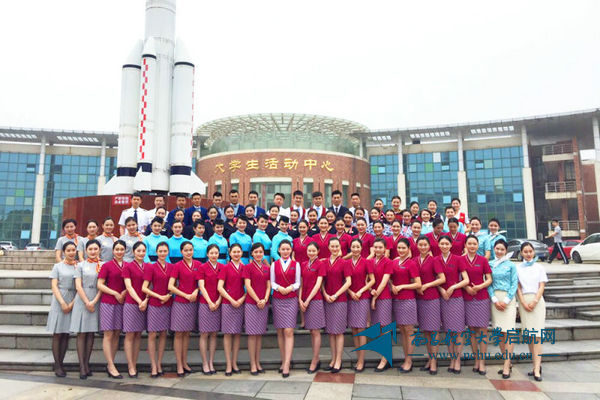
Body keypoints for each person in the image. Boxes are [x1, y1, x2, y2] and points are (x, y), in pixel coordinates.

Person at [436, 235, 469, 374]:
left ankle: (458, 360)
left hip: (456, 298)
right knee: (448, 331)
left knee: (458, 330)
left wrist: (453, 287)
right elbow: (435, 279)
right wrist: (441, 289)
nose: (444, 246)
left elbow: (466, 280)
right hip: (443, 298)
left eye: (446, 244)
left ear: (451, 245)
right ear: (438, 245)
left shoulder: (458, 259)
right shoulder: (435, 260)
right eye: (442, 244)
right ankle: (452, 359)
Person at [70, 239, 102, 379]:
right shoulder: (80, 265)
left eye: (95, 249)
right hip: (82, 300)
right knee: (82, 333)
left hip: (96, 299)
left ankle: (87, 363)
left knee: (91, 333)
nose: (93, 251)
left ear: (99, 250)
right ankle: (82, 366)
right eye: (90, 249)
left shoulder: (102, 265)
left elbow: (102, 285)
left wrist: (94, 301)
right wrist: (87, 302)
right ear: (86, 251)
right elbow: (78, 285)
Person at [516, 241, 548, 382]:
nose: (528, 254)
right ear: (521, 253)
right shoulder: (518, 268)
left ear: (533, 252)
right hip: (524, 301)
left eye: (530, 251)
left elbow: (541, 286)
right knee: (529, 335)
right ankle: (535, 365)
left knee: (537, 336)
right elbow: (518, 287)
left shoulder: (539, 267)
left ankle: (537, 368)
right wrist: (523, 302)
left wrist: (535, 301)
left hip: (537, 301)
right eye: (525, 252)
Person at [461, 235, 493, 375]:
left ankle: (482, 362)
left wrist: (479, 287)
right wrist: (466, 287)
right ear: (465, 245)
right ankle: (476, 360)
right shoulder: (461, 260)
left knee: (483, 331)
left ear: (478, 245)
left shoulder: (483, 260)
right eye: (470, 243)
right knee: (472, 330)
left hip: (482, 298)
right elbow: (458, 278)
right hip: (467, 298)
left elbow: (489, 279)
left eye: (474, 244)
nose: (472, 246)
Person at [487, 239, 518, 379]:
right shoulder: (490, 264)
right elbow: (488, 282)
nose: (499, 251)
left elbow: (514, 283)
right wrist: (494, 299)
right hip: (495, 299)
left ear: (506, 251)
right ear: (494, 249)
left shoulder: (511, 265)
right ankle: (507, 361)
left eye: (502, 249)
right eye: (497, 248)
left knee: (509, 332)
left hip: (508, 300)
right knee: (499, 332)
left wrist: (506, 300)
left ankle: (506, 364)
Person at [414, 236, 445, 375]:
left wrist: (427, 285)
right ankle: (429, 358)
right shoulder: (414, 260)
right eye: (420, 245)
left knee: (434, 331)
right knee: (426, 330)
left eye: (425, 245)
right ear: (417, 246)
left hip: (432, 298)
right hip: (419, 298)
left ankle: (434, 361)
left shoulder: (434, 260)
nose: (423, 247)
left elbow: (442, 278)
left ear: (429, 246)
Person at [390, 238, 422, 373]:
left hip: (408, 300)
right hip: (396, 300)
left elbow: (418, 284)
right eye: (399, 248)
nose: (401, 250)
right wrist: (392, 285)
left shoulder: (411, 264)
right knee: (402, 330)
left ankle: (409, 361)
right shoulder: (394, 262)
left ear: (409, 249)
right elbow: (389, 278)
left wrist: (402, 286)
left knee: (409, 331)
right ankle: (405, 359)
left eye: (404, 248)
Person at [141, 242, 172, 378]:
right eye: (160, 251)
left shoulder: (171, 267)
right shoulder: (151, 267)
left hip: (167, 303)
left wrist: (168, 296)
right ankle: (153, 365)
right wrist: (159, 296)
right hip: (154, 303)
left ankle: (159, 363)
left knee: (163, 333)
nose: (163, 253)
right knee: (153, 334)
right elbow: (144, 288)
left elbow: (175, 285)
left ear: (168, 252)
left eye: (165, 251)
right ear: (156, 252)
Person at [47, 241, 77, 378]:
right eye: (68, 250)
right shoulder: (58, 266)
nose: (71, 253)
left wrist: (71, 304)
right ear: (64, 252)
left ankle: (61, 362)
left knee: (66, 333)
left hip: (73, 299)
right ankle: (57, 364)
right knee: (58, 333)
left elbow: (80, 286)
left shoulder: (78, 266)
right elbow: (54, 286)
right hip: (59, 299)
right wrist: (63, 303)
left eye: (73, 250)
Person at [97, 240, 127, 379]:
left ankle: (111, 363)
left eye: (122, 249)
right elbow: (100, 284)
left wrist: (124, 293)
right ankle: (110, 364)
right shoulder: (107, 266)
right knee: (108, 334)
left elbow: (131, 283)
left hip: (122, 302)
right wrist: (115, 293)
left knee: (116, 333)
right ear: (113, 251)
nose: (119, 252)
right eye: (117, 249)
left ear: (125, 251)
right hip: (108, 302)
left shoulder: (128, 265)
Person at [322, 238, 352, 374]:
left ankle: (338, 360)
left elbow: (348, 282)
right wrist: (325, 294)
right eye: (332, 246)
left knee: (339, 331)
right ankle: (333, 359)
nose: (334, 248)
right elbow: (322, 281)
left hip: (340, 300)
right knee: (331, 331)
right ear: (328, 247)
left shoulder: (344, 263)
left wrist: (335, 295)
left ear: (340, 247)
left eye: (336, 246)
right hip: (327, 299)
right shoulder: (324, 263)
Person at [270, 240, 300, 378]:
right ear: (279, 250)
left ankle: (287, 363)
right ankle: (283, 361)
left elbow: (298, 282)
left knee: (288, 330)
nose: (285, 251)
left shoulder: (296, 264)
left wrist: (291, 288)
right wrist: (278, 288)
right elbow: (272, 282)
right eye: (283, 249)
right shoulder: (274, 264)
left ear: (291, 250)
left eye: (288, 249)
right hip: (278, 299)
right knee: (280, 331)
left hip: (291, 299)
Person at [168, 242, 199, 377]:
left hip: (192, 302)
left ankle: (185, 362)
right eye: (186, 250)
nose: (188, 252)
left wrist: (196, 292)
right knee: (179, 333)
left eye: (190, 250)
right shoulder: (177, 266)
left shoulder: (198, 265)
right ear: (181, 252)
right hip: (180, 302)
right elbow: (171, 286)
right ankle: (179, 364)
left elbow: (200, 283)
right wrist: (185, 295)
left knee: (187, 333)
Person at [347, 239, 375, 372]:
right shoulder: (346, 263)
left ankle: (361, 360)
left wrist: (361, 291)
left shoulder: (366, 262)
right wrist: (351, 292)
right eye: (353, 247)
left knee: (361, 329)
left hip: (362, 297)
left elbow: (372, 280)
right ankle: (358, 357)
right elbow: (345, 281)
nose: (355, 249)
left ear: (361, 248)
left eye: (358, 247)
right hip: (351, 297)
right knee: (354, 329)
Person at [218, 244, 246, 376]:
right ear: (230, 253)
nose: (236, 254)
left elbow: (248, 286)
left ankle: (234, 362)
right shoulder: (225, 267)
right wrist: (231, 300)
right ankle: (228, 364)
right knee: (228, 333)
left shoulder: (244, 267)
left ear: (242, 253)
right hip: (228, 303)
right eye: (234, 252)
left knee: (237, 334)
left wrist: (241, 299)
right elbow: (220, 287)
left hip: (240, 303)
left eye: (238, 252)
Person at [242, 243, 271, 375]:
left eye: (261, 252)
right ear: (252, 254)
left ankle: (258, 362)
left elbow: (268, 286)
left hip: (263, 303)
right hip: (251, 303)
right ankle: (252, 363)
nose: (259, 254)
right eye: (256, 252)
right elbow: (248, 286)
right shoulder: (247, 267)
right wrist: (257, 300)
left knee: (259, 334)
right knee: (252, 334)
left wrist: (264, 299)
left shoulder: (266, 268)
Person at [122, 241, 149, 378]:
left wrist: (146, 300)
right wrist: (140, 301)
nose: (141, 253)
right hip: (132, 303)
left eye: (143, 251)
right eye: (138, 251)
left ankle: (135, 362)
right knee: (130, 335)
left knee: (138, 334)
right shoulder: (128, 267)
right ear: (133, 252)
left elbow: (150, 286)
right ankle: (130, 365)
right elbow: (129, 286)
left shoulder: (148, 266)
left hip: (145, 303)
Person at [299, 242, 327, 374]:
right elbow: (301, 283)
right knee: (311, 330)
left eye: (313, 251)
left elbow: (318, 284)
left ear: (318, 251)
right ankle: (316, 358)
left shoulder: (320, 264)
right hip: (305, 300)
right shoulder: (304, 264)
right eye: (309, 251)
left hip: (315, 300)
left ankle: (315, 360)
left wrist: (308, 300)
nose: (311, 253)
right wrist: (300, 299)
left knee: (316, 331)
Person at [196, 244, 223, 375]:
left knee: (214, 334)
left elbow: (223, 286)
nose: (214, 255)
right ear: (207, 254)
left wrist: (218, 301)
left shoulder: (222, 267)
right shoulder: (202, 267)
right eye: (211, 253)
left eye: (216, 253)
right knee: (204, 333)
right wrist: (209, 302)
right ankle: (204, 363)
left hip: (217, 303)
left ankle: (211, 361)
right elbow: (201, 286)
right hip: (205, 303)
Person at [370, 238, 393, 372]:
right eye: (376, 247)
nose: (378, 250)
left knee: (385, 327)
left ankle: (385, 359)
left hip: (383, 297)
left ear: (385, 249)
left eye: (380, 247)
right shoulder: (370, 261)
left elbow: (384, 282)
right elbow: (368, 280)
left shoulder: (388, 262)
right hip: (374, 295)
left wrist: (375, 297)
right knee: (379, 327)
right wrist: (370, 290)